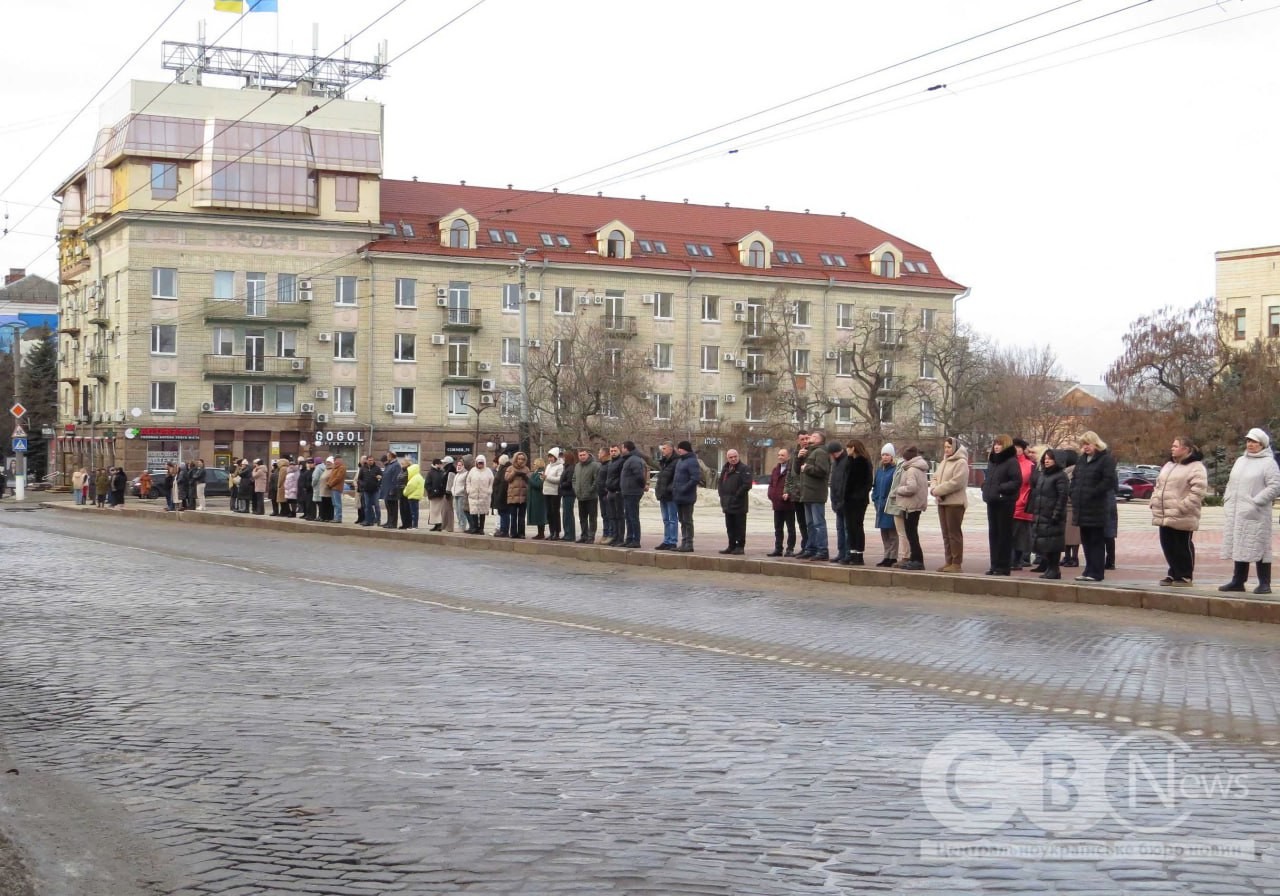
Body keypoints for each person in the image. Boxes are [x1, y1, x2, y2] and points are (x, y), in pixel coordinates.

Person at [1218, 427, 1280, 594]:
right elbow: (1232, 483)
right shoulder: (1240, 461)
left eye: (1254, 442)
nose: (1250, 444)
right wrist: (1228, 499)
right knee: (1240, 544)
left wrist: (1256, 501)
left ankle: (1264, 583)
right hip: (1237, 512)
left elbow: (1275, 486)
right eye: (1248, 441)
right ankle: (1238, 581)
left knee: (1260, 546)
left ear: (1262, 444)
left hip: (1257, 513)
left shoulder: (1269, 463)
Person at [1150, 438, 1206, 587]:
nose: (1172, 448)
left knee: (1181, 545)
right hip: (1165, 513)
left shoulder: (1196, 467)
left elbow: (1198, 490)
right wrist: (1154, 500)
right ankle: (1173, 572)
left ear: (1186, 449)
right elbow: (1158, 485)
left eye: (1176, 446)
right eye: (1172, 445)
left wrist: (1183, 506)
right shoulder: (1168, 465)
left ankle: (1185, 575)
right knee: (1167, 544)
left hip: (1182, 514)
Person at [1070, 430, 1117, 583]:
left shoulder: (1106, 459)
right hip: (1082, 507)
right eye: (1083, 445)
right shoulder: (1082, 460)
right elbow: (1075, 478)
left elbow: (1108, 481)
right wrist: (1073, 492)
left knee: (1096, 540)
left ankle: (1097, 571)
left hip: (1096, 507)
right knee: (1086, 540)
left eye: (1088, 444)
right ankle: (1088, 569)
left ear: (1096, 443)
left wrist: (1093, 493)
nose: (1085, 447)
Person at [982, 434, 1022, 576]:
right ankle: (994, 564)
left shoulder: (1011, 461)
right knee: (994, 534)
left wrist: (1000, 488)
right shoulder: (993, 461)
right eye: (995, 444)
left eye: (999, 444)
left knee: (1004, 534)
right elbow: (989, 479)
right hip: (992, 501)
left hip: (1005, 502)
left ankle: (1003, 566)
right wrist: (986, 487)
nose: (996, 447)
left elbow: (1016, 481)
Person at [1029, 448, 1069, 579]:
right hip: (1042, 515)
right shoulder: (1043, 475)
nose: (1046, 461)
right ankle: (1049, 569)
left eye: (1050, 458)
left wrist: (1056, 514)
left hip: (1053, 516)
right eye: (1045, 458)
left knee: (1053, 544)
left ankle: (1054, 569)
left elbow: (1062, 497)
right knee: (1045, 544)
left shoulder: (1061, 476)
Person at [930, 436, 969, 572]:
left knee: (954, 533)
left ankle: (957, 562)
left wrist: (939, 490)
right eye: (945, 447)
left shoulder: (961, 462)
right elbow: (935, 477)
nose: (946, 449)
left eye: (949, 447)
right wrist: (935, 490)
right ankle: (949, 560)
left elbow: (957, 482)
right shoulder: (944, 462)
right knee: (946, 533)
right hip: (942, 502)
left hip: (955, 503)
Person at [795, 432, 832, 560]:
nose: (810, 437)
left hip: (816, 493)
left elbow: (822, 471)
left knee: (818, 523)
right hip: (807, 494)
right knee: (810, 524)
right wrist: (799, 458)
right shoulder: (808, 452)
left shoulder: (821, 452)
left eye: (814, 436)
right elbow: (796, 470)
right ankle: (810, 548)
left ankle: (822, 550)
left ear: (820, 440)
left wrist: (807, 467)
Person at [892, 446, 929, 570]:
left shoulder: (912, 470)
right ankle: (914, 559)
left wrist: (898, 490)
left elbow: (911, 488)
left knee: (911, 533)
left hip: (911, 505)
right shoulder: (920, 468)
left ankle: (918, 560)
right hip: (916, 504)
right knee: (912, 533)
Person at [843, 440, 873, 566]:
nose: (846, 451)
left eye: (848, 448)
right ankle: (852, 552)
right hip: (849, 500)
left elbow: (866, 483)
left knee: (857, 526)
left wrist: (858, 496)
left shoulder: (862, 462)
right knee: (850, 527)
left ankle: (859, 554)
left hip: (858, 500)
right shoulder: (851, 461)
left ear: (853, 448)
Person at [717, 448, 752, 554]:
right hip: (727, 503)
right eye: (730, 457)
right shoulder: (726, 468)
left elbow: (747, 485)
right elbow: (720, 483)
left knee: (739, 527)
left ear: (738, 456)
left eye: (735, 456)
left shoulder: (744, 468)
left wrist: (736, 496)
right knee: (730, 527)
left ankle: (740, 546)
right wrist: (722, 495)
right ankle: (731, 545)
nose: (733, 459)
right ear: (727, 458)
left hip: (739, 504)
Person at [766, 447, 800, 557]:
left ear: (788, 456)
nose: (780, 457)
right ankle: (778, 548)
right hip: (777, 504)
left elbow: (795, 483)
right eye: (779, 455)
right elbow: (771, 484)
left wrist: (789, 494)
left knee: (790, 528)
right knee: (778, 528)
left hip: (788, 504)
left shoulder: (792, 469)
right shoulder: (776, 469)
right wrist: (771, 494)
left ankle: (790, 549)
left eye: (783, 455)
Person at [870, 445, 898, 567]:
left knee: (892, 532)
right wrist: (875, 499)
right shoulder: (880, 470)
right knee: (884, 532)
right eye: (883, 455)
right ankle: (886, 555)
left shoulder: (895, 470)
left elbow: (895, 487)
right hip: (880, 506)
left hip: (890, 505)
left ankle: (893, 556)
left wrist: (889, 500)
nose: (885, 457)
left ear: (892, 456)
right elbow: (875, 486)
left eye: (887, 455)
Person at [1011, 438, 1036, 570]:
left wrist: (1026, 499)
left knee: (1021, 533)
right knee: (1009, 533)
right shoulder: (1008, 463)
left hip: (1022, 503)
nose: (1017, 450)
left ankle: (1018, 560)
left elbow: (1033, 485)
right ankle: (1010, 559)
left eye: (1019, 447)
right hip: (1009, 502)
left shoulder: (1030, 465)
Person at [619, 440, 648, 548]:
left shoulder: (634, 460)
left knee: (633, 516)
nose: (621, 450)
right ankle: (629, 538)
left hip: (633, 492)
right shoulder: (629, 459)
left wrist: (641, 486)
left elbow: (639, 476)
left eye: (622, 448)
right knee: (628, 516)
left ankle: (636, 540)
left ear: (626, 448)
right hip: (627, 492)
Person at [672, 441, 700, 552]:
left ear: (685, 449)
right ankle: (683, 542)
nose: (678, 450)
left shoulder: (692, 461)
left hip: (687, 496)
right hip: (678, 496)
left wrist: (684, 488)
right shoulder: (680, 461)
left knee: (687, 520)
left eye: (680, 448)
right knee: (682, 520)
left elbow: (695, 478)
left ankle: (689, 543)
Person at [827, 442, 850, 563]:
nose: (832, 456)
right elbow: (833, 483)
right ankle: (841, 553)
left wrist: (841, 500)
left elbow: (844, 484)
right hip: (837, 501)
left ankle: (847, 553)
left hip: (844, 502)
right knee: (839, 529)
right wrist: (833, 500)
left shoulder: (846, 461)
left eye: (832, 453)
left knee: (846, 529)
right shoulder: (835, 463)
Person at [654, 441, 679, 550]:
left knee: (672, 519)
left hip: (671, 494)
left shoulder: (676, 461)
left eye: (664, 448)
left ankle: (672, 541)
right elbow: (661, 477)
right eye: (662, 448)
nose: (662, 451)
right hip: (662, 494)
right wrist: (658, 490)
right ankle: (666, 540)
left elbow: (676, 478)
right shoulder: (663, 462)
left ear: (671, 449)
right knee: (665, 519)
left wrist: (670, 489)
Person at [574, 448, 601, 543]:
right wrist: (576, 489)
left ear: (588, 455)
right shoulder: (577, 466)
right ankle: (584, 535)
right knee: (582, 518)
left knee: (592, 518)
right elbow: (574, 479)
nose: (582, 457)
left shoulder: (595, 465)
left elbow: (596, 480)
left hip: (591, 496)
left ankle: (591, 537)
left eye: (583, 455)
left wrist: (590, 490)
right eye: (580, 455)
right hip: (580, 496)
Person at [465, 454, 494, 534]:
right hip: (473, 495)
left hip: (484, 496)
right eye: (478, 463)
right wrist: (468, 490)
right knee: (474, 512)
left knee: (482, 513)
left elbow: (491, 482)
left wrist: (489, 491)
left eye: (481, 463)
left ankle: (481, 529)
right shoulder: (472, 470)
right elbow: (468, 481)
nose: (480, 464)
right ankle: (475, 528)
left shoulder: (488, 471)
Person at [504, 452, 530, 538]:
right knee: (513, 516)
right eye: (519, 459)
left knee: (522, 517)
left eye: (522, 459)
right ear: (516, 459)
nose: (521, 461)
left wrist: (525, 476)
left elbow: (530, 481)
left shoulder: (526, 469)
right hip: (513, 496)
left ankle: (521, 533)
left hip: (523, 496)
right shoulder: (510, 468)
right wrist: (513, 473)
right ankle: (513, 533)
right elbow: (507, 479)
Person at [603, 445, 625, 546]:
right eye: (611, 451)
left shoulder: (621, 462)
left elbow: (622, 477)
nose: (613, 452)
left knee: (619, 516)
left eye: (615, 450)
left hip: (617, 492)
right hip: (610, 492)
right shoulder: (611, 462)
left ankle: (620, 538)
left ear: (619, 451)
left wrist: (618, 489)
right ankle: (615, 537)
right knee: (612, 516)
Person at [543, 449, 564, 540]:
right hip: (546, 491)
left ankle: (557, 532)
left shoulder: (560, 466)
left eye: (551, 457)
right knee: (549, 513)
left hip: (554, 492)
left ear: (555, 457)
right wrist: (543, 477)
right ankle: (551, 532)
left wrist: (547, 477)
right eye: (549, 457)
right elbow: (546, 477)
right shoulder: (548, 466)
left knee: (555, 512)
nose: (550, 459)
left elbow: (559, 479)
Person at [379, 451, 403, 529]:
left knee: (393, 508)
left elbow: (395, 478)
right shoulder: (390, 465)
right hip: (387, 489)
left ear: (391, 456)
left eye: (388, 456)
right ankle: (389, 521)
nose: (387, 457)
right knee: (388, 507)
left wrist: (392, 489)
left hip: (392, 490)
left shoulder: (396, 465)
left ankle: (393, 523)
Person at [559, 448, 577, 544]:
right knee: (566, 514)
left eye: (564, 457)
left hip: (569, 493)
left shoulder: (571, 468)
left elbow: (569, 482)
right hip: (566, 493)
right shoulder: (567, 467)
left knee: (568, 514)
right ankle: (567, 533)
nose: (562, 458)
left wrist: (561, 485)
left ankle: (570, 534)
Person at [425, 457, 449, 531]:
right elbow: (427, 484)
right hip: (433, 495)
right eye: (440, 464)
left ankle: (439, 524)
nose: (441, 465)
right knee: (434, 511)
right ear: (436, 464)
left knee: (439, 511)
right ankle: (436, 524)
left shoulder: (441, 472)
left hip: (440, 495)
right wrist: (432, 491)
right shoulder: (431, 472)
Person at [358, 456, 382, 527]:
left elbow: (381, 477)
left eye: (372, 460)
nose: (370, 461)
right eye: (369, 460)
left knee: (376, 505)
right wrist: (362, 485)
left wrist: (378, 484)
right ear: (367, 461)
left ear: (373, 461)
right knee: (367, 506)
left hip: (375, 490)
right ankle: (368, 521)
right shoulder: (363, 468)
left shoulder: (377, 468)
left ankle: (378, 520)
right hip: (366, 490)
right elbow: (360, 479)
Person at [492, 453, 512, 537]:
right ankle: (503, 530)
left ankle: (504, 531)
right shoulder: (505, 469)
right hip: (501, 495)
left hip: (502, 495)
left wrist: (498, 495)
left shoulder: (504, 470)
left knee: (504, 513)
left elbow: (502, 484)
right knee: (503, 513)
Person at [528, 457, 548, 538]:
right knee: (537, 515)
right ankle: (539, 533)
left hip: (539, 498)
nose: (533, 465)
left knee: (540, 516)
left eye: (534, 463)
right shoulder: (536, 472)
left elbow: (539, 485)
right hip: (534, 497)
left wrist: (529, 480)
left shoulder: (541, 473)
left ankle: (541, 533)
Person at [401, 460, 424, 529]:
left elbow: (409, 488)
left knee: (413, 512)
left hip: (413, 496)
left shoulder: (414, 478)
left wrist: (404, 492)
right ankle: (414, 525)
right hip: (416, 496)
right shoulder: (419, 477)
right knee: (415, 512)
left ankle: (414, 526)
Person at [452, 457, 471, 533]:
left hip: (461, 495)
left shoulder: (465, 474)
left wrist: (459, 491)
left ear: (463, 466)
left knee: (461, 511)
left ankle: (463, 526)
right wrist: (453, 490)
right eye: (458, 465)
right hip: (456, 495)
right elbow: (454, 484)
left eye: (460, 465)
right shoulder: (457, 474)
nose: (458, 466)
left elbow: (465, 485)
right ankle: (460, 525)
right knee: (457, 511)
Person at [326, 455, 348, 523]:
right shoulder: (334, 467)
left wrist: (330, 484)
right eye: (335, 460)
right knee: (334, 503)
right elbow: (331, 477)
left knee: (337, 504)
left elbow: (338, 478)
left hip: (337, 487)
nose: (336, 461)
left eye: (337, 460)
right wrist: (328, 483)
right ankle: (336, 517)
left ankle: (338, 518)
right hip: (332, 487)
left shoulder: (342, 468)